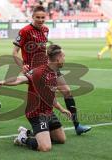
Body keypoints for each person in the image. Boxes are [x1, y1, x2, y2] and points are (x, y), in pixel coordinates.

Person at [12, 5, 91, 135]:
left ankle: (77, 125)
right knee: (41, 100)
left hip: (49, 67)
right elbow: (14, 52)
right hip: (35, 71)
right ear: (32, 17)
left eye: (43, 17)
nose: (40, 20)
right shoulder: (24, 31)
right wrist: (22, 66)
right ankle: (33, 132)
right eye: (38, 17)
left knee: (67, 91)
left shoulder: (46, 30)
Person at [0, 44, 72, 152]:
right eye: (63, 57)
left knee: (61, 139)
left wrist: (61, 109)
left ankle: (29, 133)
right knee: (45, 147)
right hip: (37, 113)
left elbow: (49, 96)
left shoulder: (55, 72)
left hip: (48, 112)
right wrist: (3, 82)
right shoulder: (39, 72)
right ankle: (23, 138)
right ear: (58, 59)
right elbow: (19, 79)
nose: (64, 59)